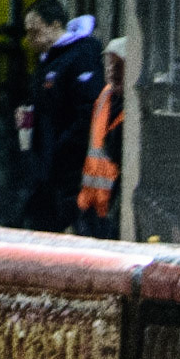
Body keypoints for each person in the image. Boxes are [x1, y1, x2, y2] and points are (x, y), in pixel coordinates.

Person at [16, 0, 104, 233]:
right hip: (49, 168)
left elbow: (88, 110)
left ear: (55, 25)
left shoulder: (82, 54)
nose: (30, 39)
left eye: (35, 31)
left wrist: (62, 150)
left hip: (70, 170)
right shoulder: (47, 62)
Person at [75, 37, 125, 239]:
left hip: (113, 210)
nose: (112, 70)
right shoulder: (104, 96)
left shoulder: (136, 105)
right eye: (110, 63)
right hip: (91, 207)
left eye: (119, 64)